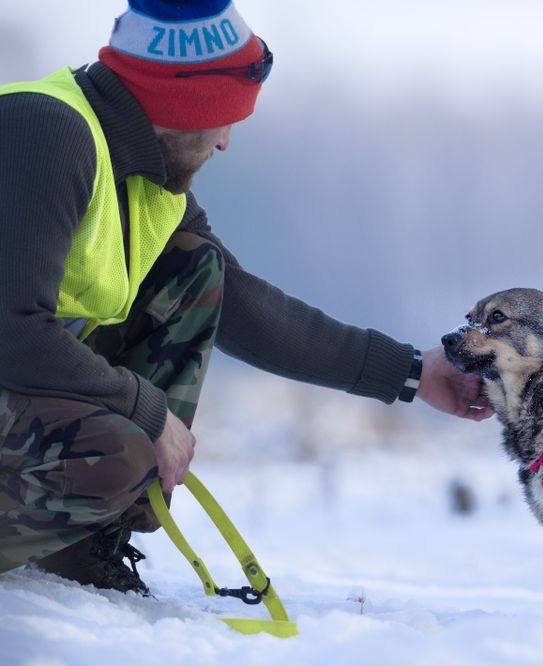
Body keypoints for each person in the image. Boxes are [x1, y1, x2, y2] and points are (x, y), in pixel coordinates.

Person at [0, 0, 492, 596]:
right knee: (120, 450)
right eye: (224, 119)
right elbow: (12, 328)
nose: (228, 141)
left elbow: (239, 305)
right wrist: (145, 409)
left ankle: (78, 542)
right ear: (181, 106)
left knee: (195, 267)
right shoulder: (42, 133)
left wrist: (412, 372)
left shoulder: (145, 177)